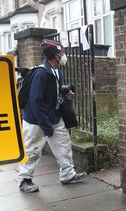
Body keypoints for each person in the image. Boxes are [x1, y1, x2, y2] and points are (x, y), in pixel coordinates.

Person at [17, 40, 87, 192]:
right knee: (32, 150)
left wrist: (63, 91)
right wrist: (46, 126)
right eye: (62, 52)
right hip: (36, 119)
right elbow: (36, 100)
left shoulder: (57, 72)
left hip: (53, 116)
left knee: (63, 143)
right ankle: (24, 179)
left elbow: (50, 91)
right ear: (56, 55)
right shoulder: (41, 73)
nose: (64, 55)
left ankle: (67, 174)